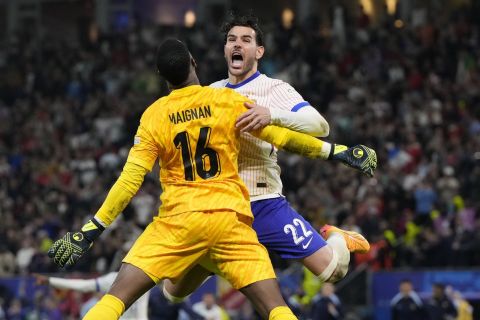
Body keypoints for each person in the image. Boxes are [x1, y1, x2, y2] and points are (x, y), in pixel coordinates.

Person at [47, 39, 376, 320]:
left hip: (177, 224)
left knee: (115, 299)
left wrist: (89, 231)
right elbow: (283, 137)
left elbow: (129, 181)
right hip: (229, 221)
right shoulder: (225, 101)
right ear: (193, 62)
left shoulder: (154, 116)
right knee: (275, 309)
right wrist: (337, 151)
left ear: (161, 76)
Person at [164, 12, 373, 303]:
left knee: (334, 271)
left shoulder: (274, 89)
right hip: (217, 210)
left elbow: (319, 125)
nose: (238, 44)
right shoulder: (210, 93)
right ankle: (217, 258)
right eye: (232, 40)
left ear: (258, 51)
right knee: (172, 293)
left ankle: (338, 238)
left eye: (246, 40)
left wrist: (271, 114)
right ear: (225, 50)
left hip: (263, 203)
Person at [33, 272, 150, 319]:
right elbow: (83, 285)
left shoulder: (146, 279)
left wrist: (50, 280)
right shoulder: (113, 278)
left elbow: (142, 311)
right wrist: (50, 280)